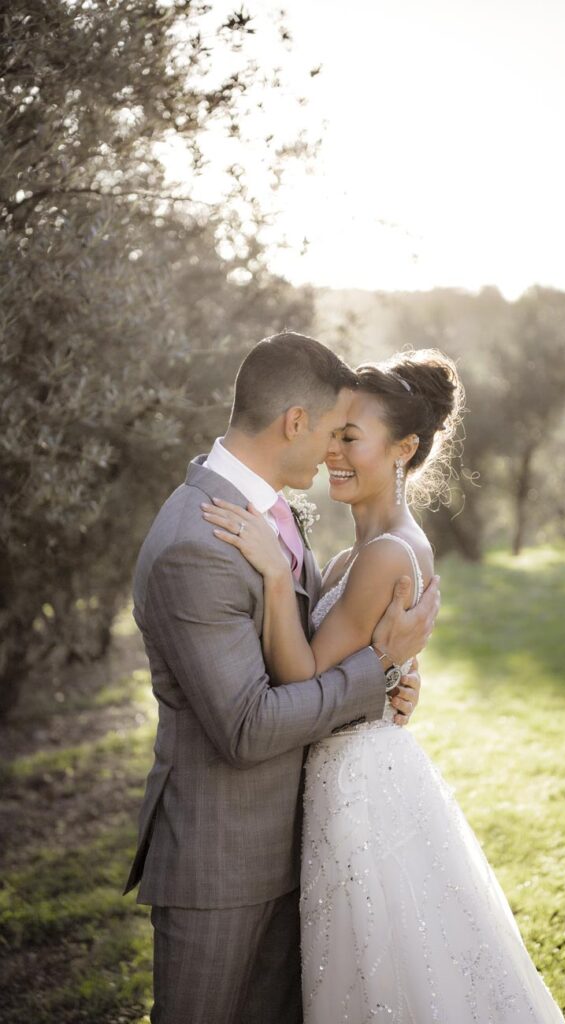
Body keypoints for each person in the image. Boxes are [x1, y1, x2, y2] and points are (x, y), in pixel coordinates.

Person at [204, 347, 565, 1023]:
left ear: (401, 449)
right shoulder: (360, 552)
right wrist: (393, 673)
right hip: (353, 772)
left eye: (349, 437)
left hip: (358, 789)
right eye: (329, 434)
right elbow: (354, 662)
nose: (331, 452)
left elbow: (303, 673)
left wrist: (276, 577)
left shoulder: (384, 554)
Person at [123, 332, 440, 1024]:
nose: (332, 450)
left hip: (301, 847)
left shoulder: (273, 515)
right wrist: (375, 673)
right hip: (221, 867)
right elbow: (245, 726)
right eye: (332, 430)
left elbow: (301, 653)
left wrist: (379, 689)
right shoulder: (196, 543)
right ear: (294, 422)